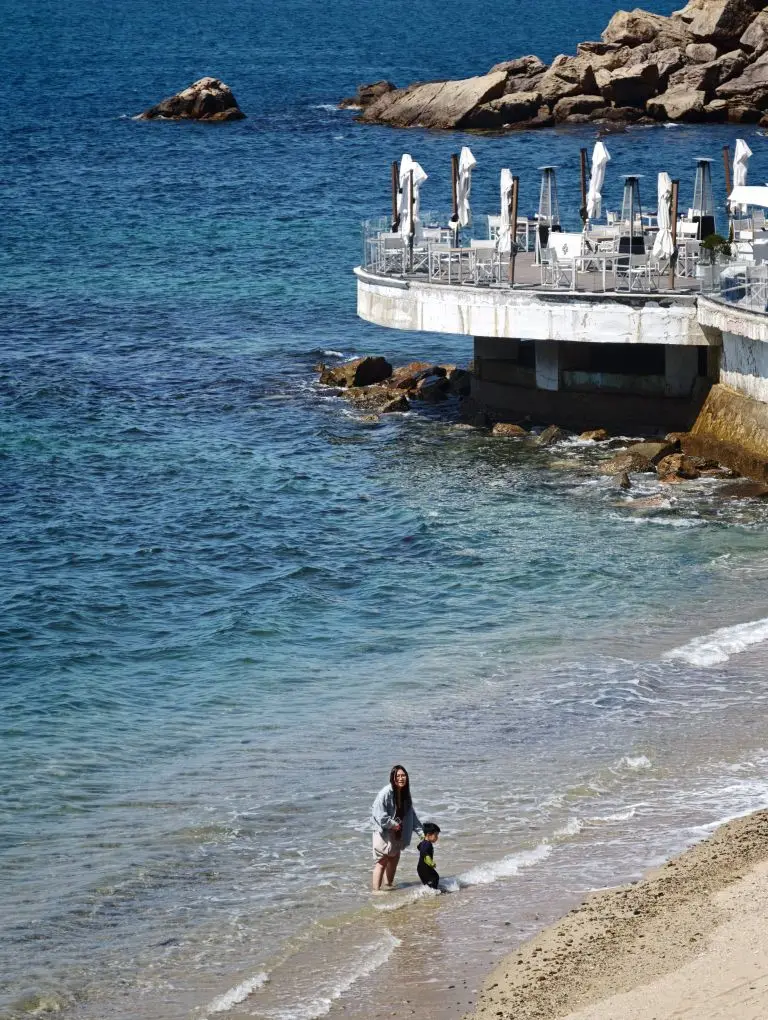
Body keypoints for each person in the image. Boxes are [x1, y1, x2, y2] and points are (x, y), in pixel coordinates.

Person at [370, 764, 422, 892]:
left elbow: (411, 815)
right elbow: (379, 815)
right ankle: (376, 892)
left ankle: (389, 887)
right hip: (383, 831)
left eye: (403, 775)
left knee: (394, 858)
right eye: (398, 776)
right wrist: (393, 824)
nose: (401, 778)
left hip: (397, 831)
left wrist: (422, 833)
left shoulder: (405, 793)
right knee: (382, 861)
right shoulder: (385, 793)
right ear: (392, 778)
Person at [417, 822, 441, 889]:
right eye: (436, 835)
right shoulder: (428, 844)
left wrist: (423, 840)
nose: (437, 838)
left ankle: (430, 891)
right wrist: (430, 862)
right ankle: (433, 891)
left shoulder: (424, 842)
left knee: (430, 881)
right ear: (428, 834)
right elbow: (424, 852)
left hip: (421, 868)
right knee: (435, 878)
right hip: (425, 868)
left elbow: (418, 847)